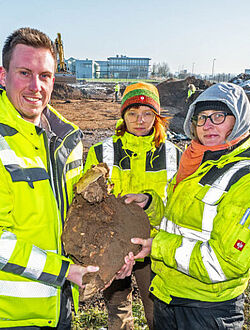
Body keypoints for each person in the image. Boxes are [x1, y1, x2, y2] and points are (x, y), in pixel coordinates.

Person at [0, 27, 100, 329]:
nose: (35, 86)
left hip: (60, 306)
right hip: (10, 315)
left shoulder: (66, 141)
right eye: (25, 73)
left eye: (45, 76)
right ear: (3, 76)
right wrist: (64, 271)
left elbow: (75, 215)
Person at [124, 82, 250, 329]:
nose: (208, 125)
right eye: (201, 118)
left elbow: (224, 262)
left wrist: (158, 246)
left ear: (239, 121)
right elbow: (180, 220)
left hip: (206, 309)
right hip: (169, 293)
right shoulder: (199, 162)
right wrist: (150, 204)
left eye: (218, 116)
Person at [84, 82, 180, 330]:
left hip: (155, 248)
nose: (140, 120)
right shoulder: (101, 152)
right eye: (133, 113)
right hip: (113, 248)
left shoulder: (174, 155)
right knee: (118, 313)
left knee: (157, 313)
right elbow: (88, 205)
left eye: (147, 113)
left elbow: (180, 207)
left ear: (156, 116)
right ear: (123, 115)